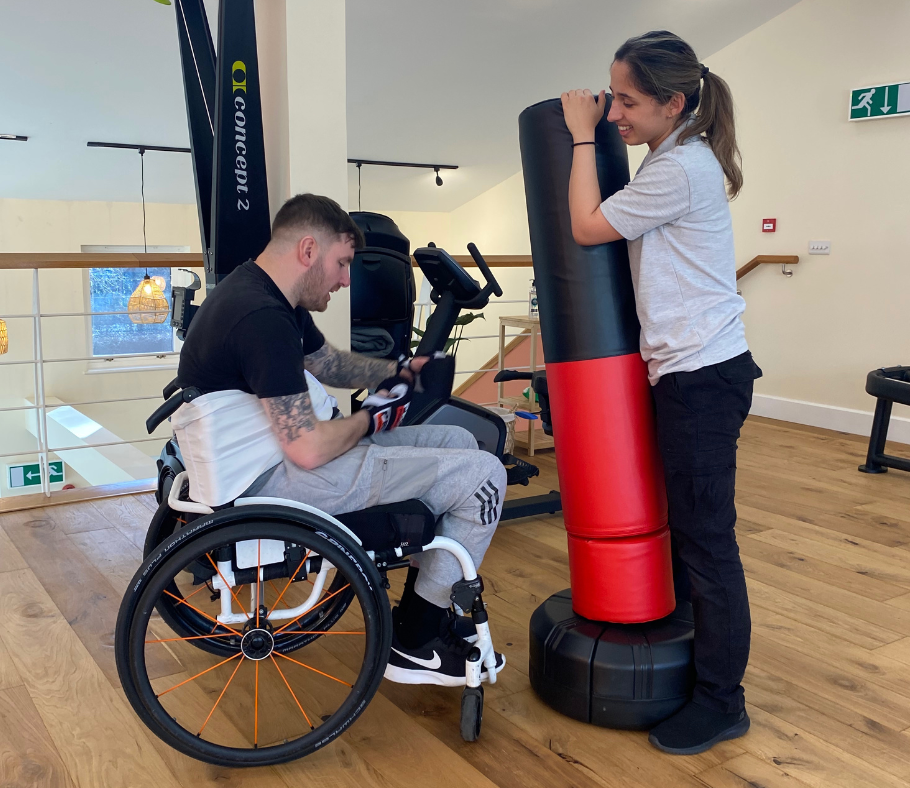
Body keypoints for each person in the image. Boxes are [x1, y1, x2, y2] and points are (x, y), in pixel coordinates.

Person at [176, 193, 505, 687]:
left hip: (264, 461)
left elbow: (328, 363)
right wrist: (372, 420)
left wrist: (397, 370)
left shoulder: (262, 294)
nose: (346, 279)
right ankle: (416, 641)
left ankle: (425, 591)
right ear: (309, 249)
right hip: (277, 479)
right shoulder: (261, 318)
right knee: (485, 477)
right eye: (343, 263)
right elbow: (306, 447)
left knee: (457, 437)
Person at [561, 30, 762, 755]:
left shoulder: (680, 170)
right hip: (685, 373)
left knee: (709, 544)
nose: (615, 110)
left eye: (627, 100)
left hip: (702, 379)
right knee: (691, 533)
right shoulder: (669, 159)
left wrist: (581, 137)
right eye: (611, 95)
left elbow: (586, 229)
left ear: (674, 102)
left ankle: (721, 701)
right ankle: (699, 664)